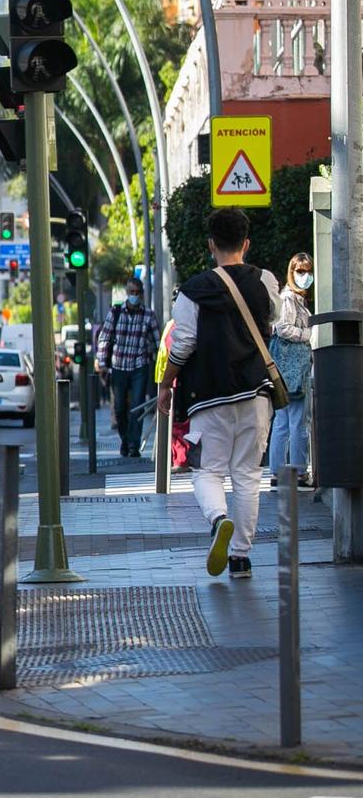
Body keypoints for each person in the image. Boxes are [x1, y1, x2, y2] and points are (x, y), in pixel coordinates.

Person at [157, 209, 282, 580]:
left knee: (207, 471)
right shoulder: (266, 281)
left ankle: (218, 520)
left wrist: (166, 384)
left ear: (211, 245)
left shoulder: (193, 291)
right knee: (247, 475)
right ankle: (241, 557)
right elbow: (273, 317)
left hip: (208, 395)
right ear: (246, 243)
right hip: (256, 393)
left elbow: (182, 345)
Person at [96, 278, 159, 458]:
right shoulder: (115, 313)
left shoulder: (149, 315)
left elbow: (157, 342)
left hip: (139, 366)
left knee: (137, 407)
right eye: (131, 292)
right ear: (126, 293)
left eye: (137, 293)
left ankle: (133, 445)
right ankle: (125, 439)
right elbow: (104, 338)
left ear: (142, 294)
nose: (134, 296)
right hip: (118, 366)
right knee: (120, 408)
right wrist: (101, 362)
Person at [269, 251, 315, 483]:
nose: (305, 276)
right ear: (291, 272)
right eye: (300, 271)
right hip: (293, 369)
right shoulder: (288, 299)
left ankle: (278, 470)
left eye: (308, 271)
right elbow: (283, 328)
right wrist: (308, 334)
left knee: (283, 421)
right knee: (296, 422)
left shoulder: (294, 298)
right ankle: (298, 471)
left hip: (285, 370)